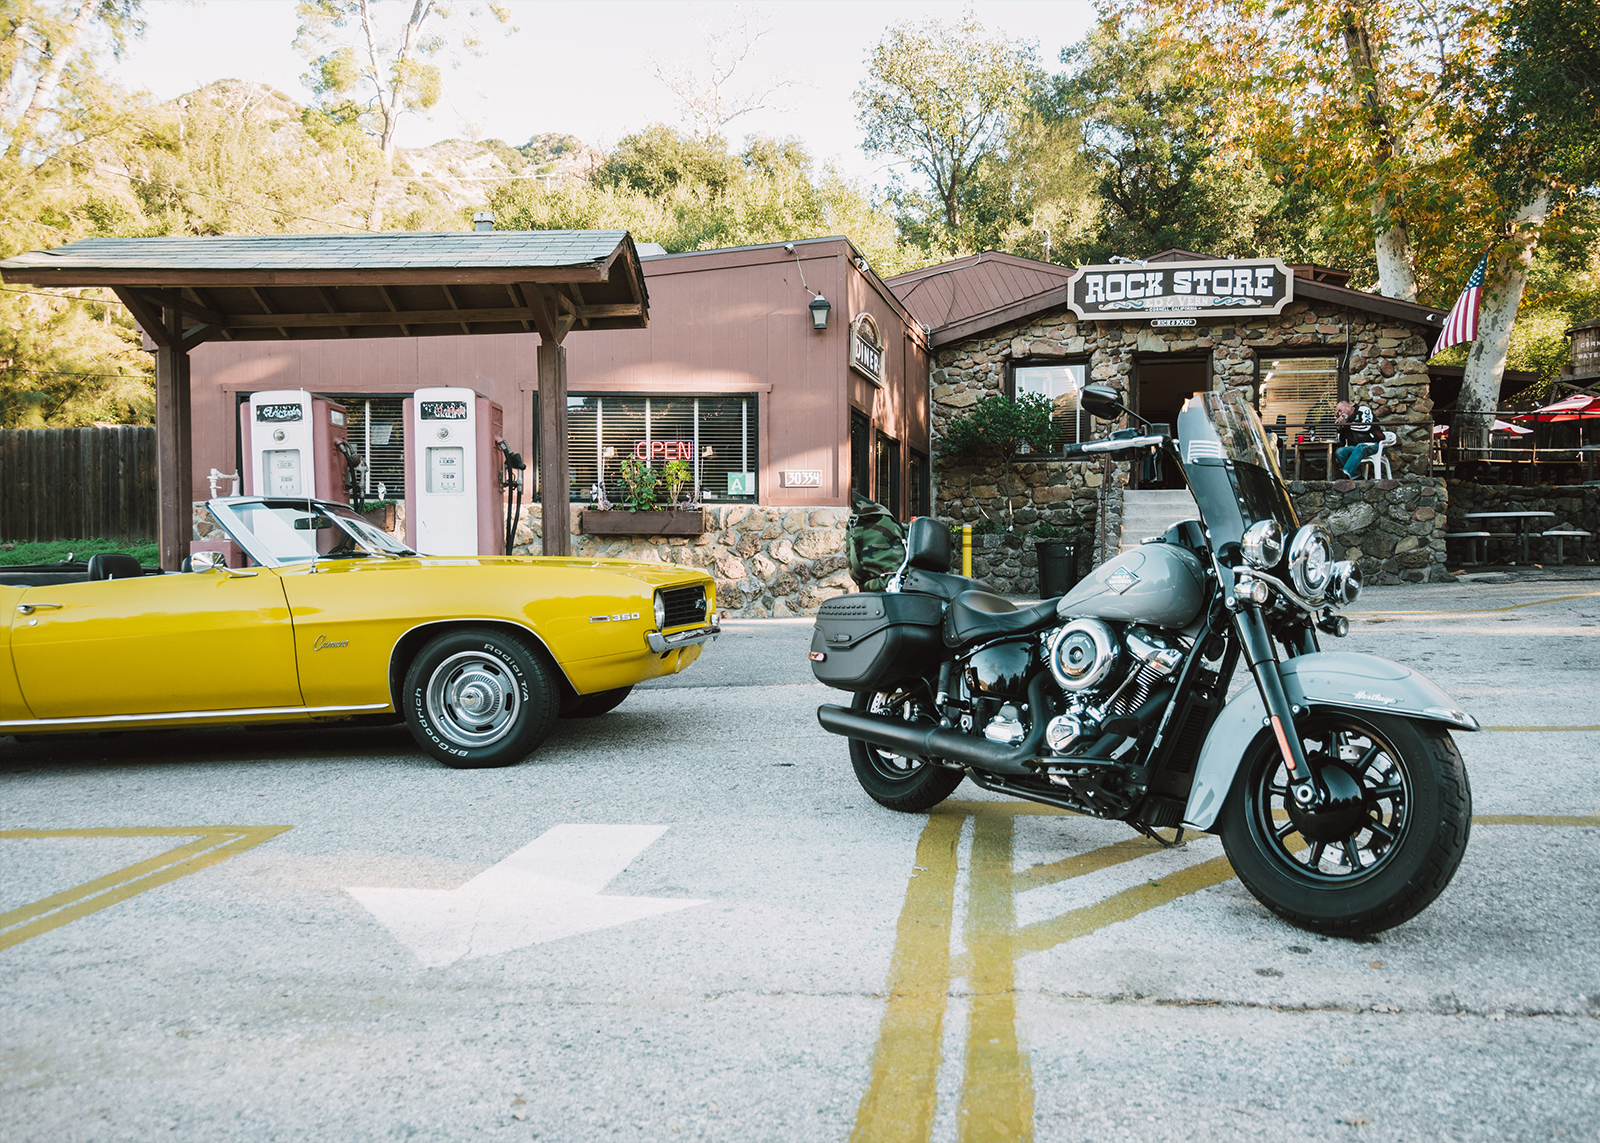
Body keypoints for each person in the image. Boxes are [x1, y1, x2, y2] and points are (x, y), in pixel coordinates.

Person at [1334, 400, 1381, 478]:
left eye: (1340, 411)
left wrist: (1347, 425)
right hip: (1356, 448)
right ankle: (1356, 476)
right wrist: (1339, 429)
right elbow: (1341, 441)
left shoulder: (1363, 410)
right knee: (1339, 452)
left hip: (1373, 444)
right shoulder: (1346, 420)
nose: (1339, 414)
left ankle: (1346, 473)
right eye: (1338, 412)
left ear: (1348, 407)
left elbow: (1367, 426)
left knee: (1360, 446)